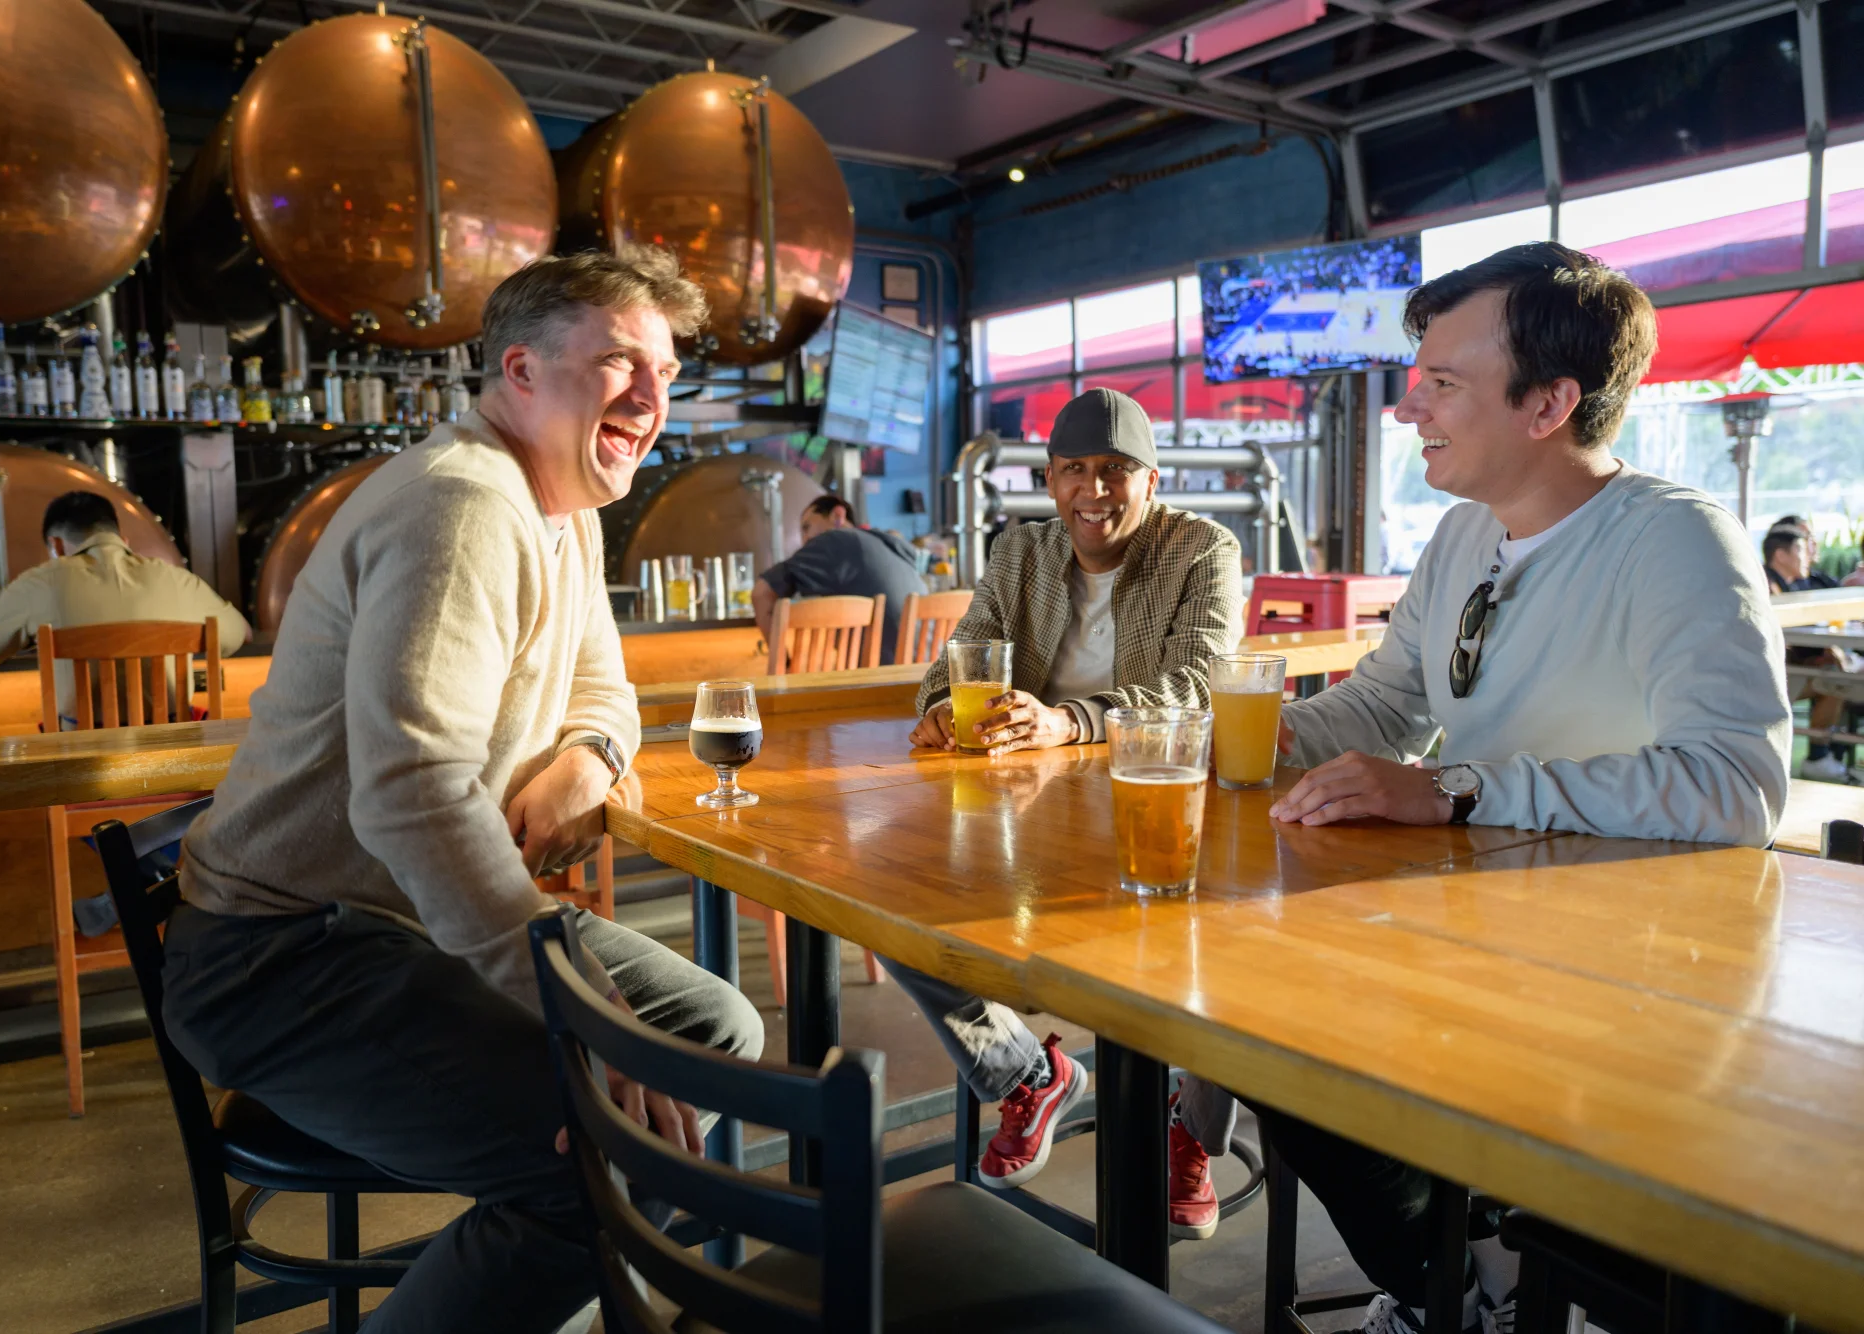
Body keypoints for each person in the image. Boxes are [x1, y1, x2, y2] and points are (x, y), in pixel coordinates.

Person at [160, 249, 764, 1334]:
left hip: (400, 927)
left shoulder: (562, 507)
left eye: (667, 371)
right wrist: (566, 1006)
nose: (651, 396)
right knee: (602, 1172)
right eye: (619, 361)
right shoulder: (462, 508)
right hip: (282, 956)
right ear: (520, 370)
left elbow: (605, 691)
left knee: (715, 1031)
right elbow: (410, 796)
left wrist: (591, 757)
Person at [1260, 243, 1790, 1334]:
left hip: (1633, 981)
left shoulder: (1674, 541)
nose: (1409, 406)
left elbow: (1735, 784)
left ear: (1548, 402)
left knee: (1303, 1038)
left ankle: (1486, 1285)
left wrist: (1450, 789)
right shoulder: (1464, 535)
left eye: (1441, 381)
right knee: (1263, 1029)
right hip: (1480, 946)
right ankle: (1462, 1285)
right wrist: (1237, 736)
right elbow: (1382, 703)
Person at [899, 386, 1245, 1240]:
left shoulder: (1203, 548)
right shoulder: (1021, 550)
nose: (1096, 490)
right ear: (1050, 480)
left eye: (1118, 470)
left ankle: (1187, 1129)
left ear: (1151, 480)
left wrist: (1067, 721)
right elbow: (958, 655)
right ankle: (1025, 1073)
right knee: (895, 903)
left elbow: (1200, 685)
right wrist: (947, 705)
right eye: (1076, 471)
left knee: (1219, 936)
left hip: (1160, 797)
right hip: (1032, 810)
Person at [0, 490, 250, 728]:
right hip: (175, 753)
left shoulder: (37, 583)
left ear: (55, 545)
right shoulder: (175, 577)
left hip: (82, 761)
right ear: (123, 540)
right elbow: (241, 634)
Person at [752, 493, 928, 663]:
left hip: (881, 683)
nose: (804, 539)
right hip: (927, 676)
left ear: (837, 515)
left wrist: (785, 665)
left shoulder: (833, 539)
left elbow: (761, 593)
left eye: (807, 527)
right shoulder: (890, 546)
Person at [1766, 525, 1860, 781]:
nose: (1806, 554)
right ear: (1781, 555)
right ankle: (1820, 756)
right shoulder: (1768, 586)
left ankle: (1828, 754)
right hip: (1772, 677)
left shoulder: (1795, 585)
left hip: (1789, 671)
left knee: (1836, 673)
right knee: (1835, 678)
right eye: (1800, 548)